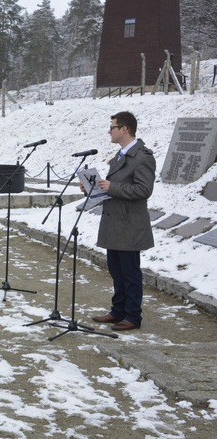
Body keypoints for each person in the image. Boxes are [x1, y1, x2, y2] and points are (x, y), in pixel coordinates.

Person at [89, 111, 155, 332]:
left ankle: (133, 316)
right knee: (117, 272)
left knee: (130, 273)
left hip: (129, 225)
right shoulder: (120, 155)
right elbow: (114, 188)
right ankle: (118, 311)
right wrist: (93, 188)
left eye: (113, 127)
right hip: (115, 224)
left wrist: (112, 187)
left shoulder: (143, 157)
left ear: (124, 129)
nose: (109, 131)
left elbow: (144, 190)